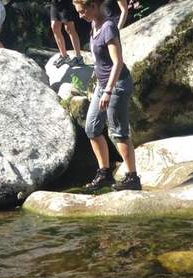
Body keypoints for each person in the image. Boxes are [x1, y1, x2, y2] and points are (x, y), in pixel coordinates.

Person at [73, 0, 141, 192]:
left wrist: (109, 90)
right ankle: (104, 174)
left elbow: (118, 62)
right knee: (92, 128)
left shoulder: (109, 27)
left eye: (82, 11)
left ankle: (132, 177)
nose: (80, 16)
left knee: (119, 132)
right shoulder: (94, 24)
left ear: (93, 6)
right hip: (103, 85)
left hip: (117, 85)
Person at [50, 0, 84, 68]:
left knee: (69, 28)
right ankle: (64, 56)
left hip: (66, 3)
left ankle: (79, 58)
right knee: (54, 27)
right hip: (55, 3)